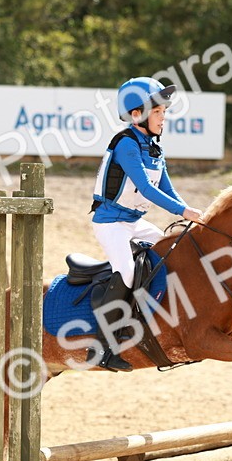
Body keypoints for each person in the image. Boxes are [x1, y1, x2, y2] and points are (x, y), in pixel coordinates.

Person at [88, 77, 204, 371]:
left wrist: (187, 211)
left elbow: (167, 187)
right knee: (127, 272)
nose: (164, 117)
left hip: (134, 222)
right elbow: (148, 189)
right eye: (158, 112)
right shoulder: (126, 144)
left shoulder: (154, 148)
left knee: (172, 253)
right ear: (136, 114)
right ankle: (103, 348)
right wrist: (183, 210)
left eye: (164, 111)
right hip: (110, 223)